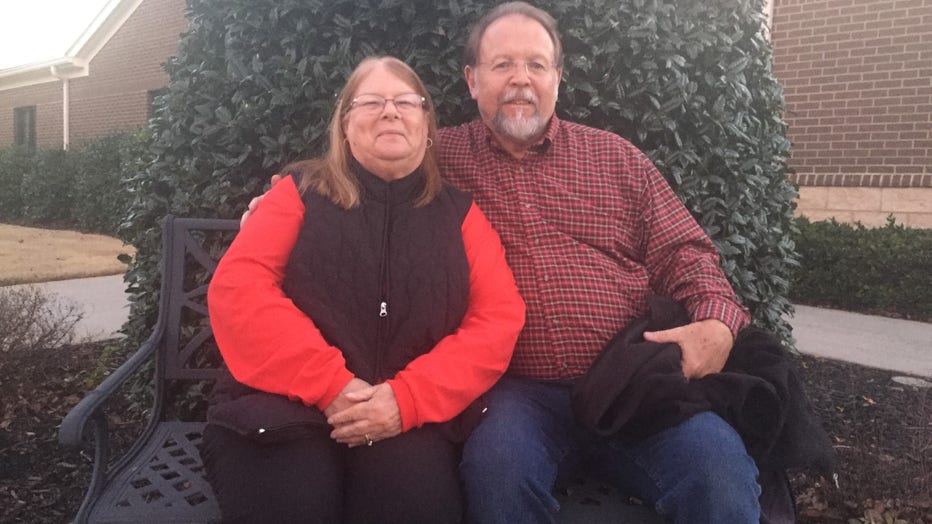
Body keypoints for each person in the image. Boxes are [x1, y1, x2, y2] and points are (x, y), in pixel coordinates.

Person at [245, 3, 762, 522]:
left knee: (717, 475)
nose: (520, 79)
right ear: (472, 80)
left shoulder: (617, 159)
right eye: (502, 65)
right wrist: (277, 205)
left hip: (630, 381)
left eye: (536, 65)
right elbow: (357, 175)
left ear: (558, 78)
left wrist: (717, 323)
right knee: (498, 474)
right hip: (516, 394)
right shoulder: (432, 158)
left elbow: (685, 251)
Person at [203, 56, 525, 524]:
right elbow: (239, 290)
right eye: (371, 101)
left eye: (405, 102)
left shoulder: (460, 216)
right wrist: (331, 385)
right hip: (279, 411)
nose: (390, 111)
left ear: (427, 124)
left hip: (407, 421)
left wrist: (406, 399)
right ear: (346, 124)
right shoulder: (297, 194)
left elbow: (497, 320)